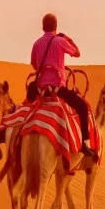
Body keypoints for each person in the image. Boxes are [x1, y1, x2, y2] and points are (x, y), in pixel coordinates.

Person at [29, 13, 92, 148]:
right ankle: (85, 144)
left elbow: (34, 65)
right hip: (58, 90)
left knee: (25, 108)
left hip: (40, 90)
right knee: (82, 107)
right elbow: (77, 53)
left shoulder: (36, 44)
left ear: (43, 27)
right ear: (56, 27)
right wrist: (68, 39)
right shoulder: (60, 41)